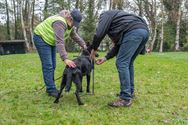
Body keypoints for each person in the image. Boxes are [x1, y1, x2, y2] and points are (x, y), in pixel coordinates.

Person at [90, 10, 149, 107]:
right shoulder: (121, 23)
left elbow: (99, 34)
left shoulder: (105, 15)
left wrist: (94, 49)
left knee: (122, 62)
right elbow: (118, 46)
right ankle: (129, 92)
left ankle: (125, 98)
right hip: (144, 31)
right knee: (128, 63)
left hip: (135, 32)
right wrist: (105, 58)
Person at [33, 9, 86, 98]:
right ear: (70, 18)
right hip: (41, 37)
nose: (74, 25)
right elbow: (60, 42)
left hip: (51, 40)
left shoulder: (70, 25)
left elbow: (74, 35)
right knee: (48, 65)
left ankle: (50, 86)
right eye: (74, 22)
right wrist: (65, 58)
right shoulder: (60, 23)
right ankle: (51, 89)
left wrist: (84, 45)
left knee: (53, 65)